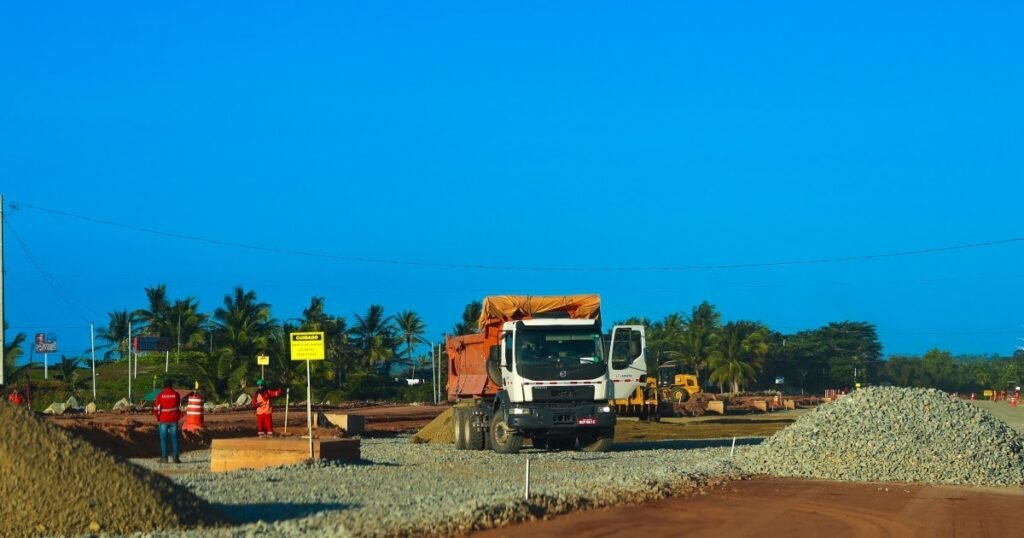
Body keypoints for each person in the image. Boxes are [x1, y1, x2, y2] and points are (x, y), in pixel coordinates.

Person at [154, 379, 182, 463]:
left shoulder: (160, 395)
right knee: (175, 438)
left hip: (163, 420)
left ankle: (164, 458)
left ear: (164, 386)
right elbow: (178, 405)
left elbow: (155, 408)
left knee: (163, 439)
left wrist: (158, 417)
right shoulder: (176, 394)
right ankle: (176, 458)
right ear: (171, 385)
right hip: (174, 420)